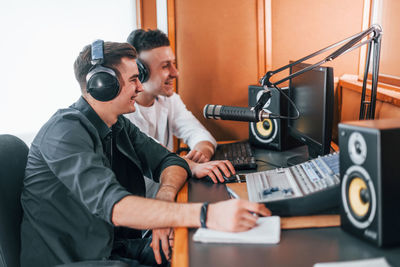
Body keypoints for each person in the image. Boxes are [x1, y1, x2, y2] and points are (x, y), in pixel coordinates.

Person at [20, 40, 270, 267]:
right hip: (74, 260)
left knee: (203, 252)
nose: (140, 87)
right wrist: (207, 214)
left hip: (113, 248)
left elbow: (169, 160)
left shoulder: (116, 124)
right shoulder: (65, 132)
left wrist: (164, 199)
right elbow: (117, 208)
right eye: (132, 80)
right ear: (102, 86)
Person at [125, 29, 216, 163]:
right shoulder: (121, 113)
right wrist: (189, 165)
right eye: (165, 66)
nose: (175, 73)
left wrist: (202, 152)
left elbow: (198, 133)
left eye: (173, 63)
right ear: (140, 71)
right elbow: (155, 154)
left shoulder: (170, 100)